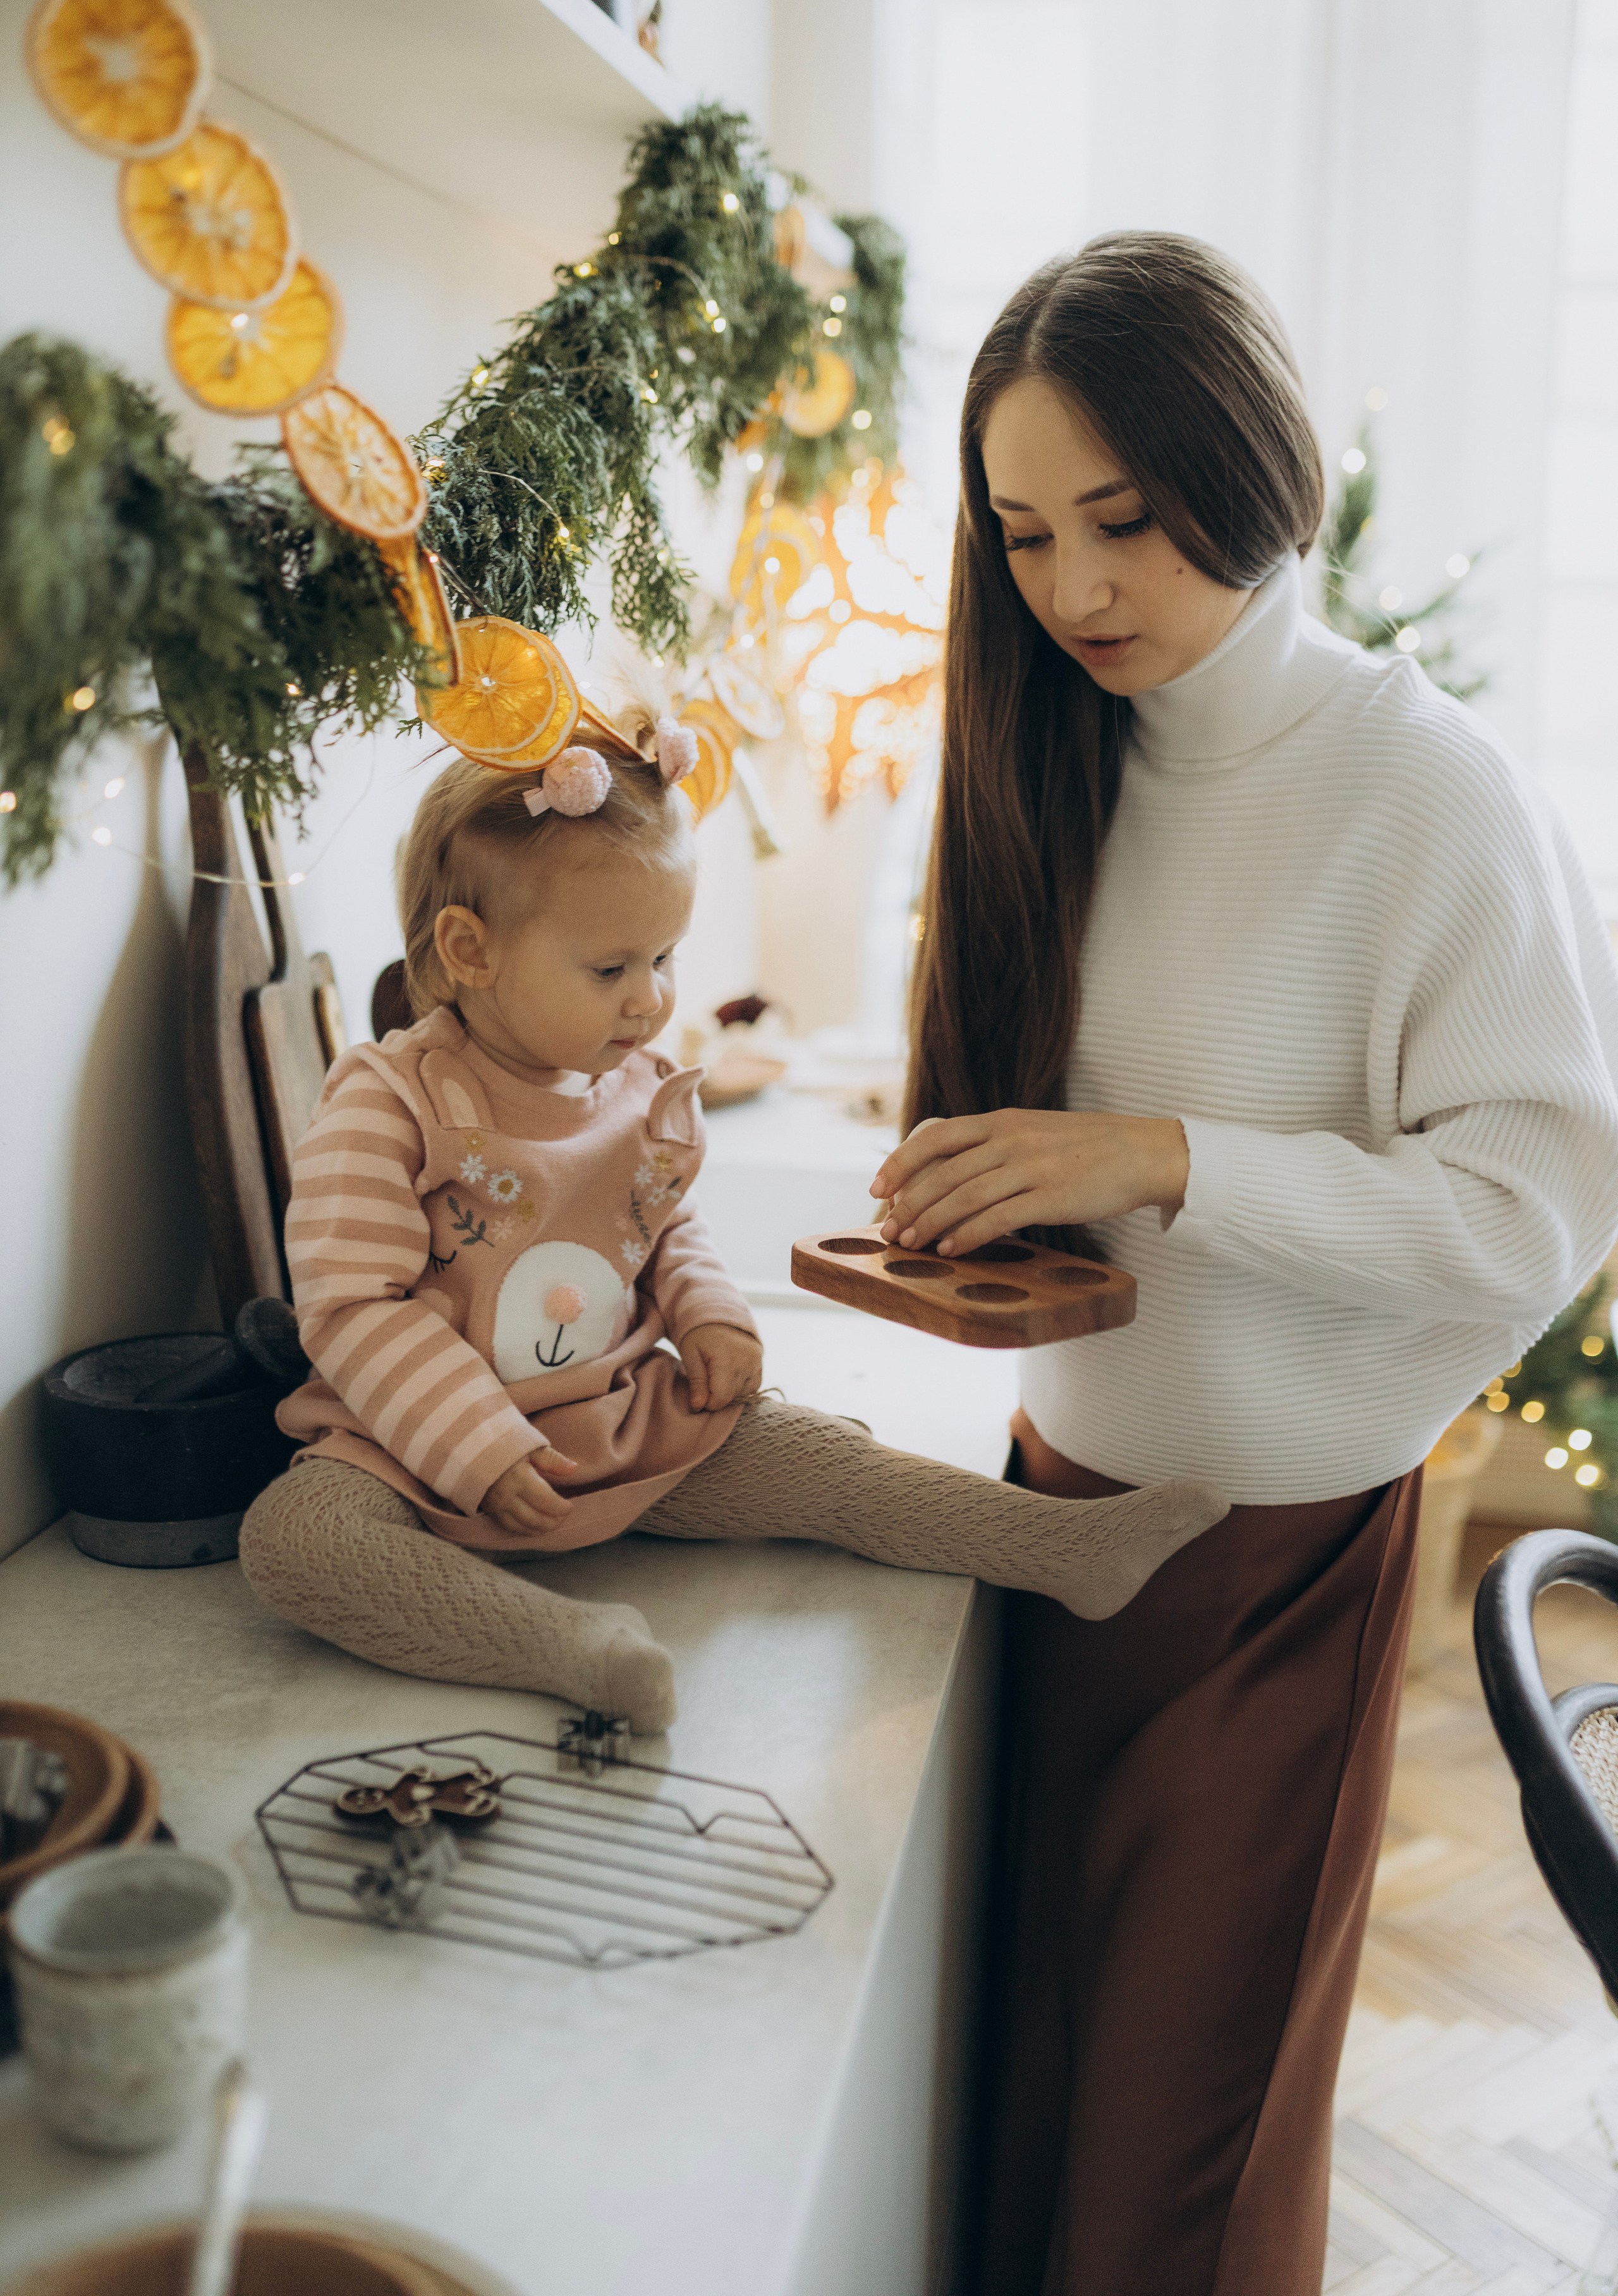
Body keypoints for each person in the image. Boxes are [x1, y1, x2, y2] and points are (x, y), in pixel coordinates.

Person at [870, 231, 1618, 2296]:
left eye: (1122, 518)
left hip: (1269, 1577)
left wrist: (1171, 1162)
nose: (1077, 588)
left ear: (1250, 461)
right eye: (1022, 535)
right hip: (1055, 1530)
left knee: (1171, 2198)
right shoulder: (1053, 753)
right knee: (1025, 2131)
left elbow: (1536, 1212)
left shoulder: (1427, 791)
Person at [238, 716, 1225, 1733]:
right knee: (295, 1540)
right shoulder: (387, 1100)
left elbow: (665, 1233)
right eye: (612, 968)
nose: (653, 999)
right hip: (412, 1445)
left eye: (664, 957)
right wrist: (470, 1440)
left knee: (818, 1459)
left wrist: (710, 1321)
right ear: (470, 950)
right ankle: (573, 1649)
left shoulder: (641, 1089)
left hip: (613, 1420)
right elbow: (353, 1304)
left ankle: (1061, 1547)